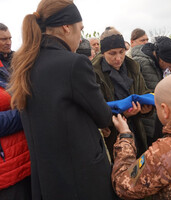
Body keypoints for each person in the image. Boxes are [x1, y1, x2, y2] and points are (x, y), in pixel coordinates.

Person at [8, 1, 116, 199]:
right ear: (67, 27)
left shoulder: (25, 64)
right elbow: (103, 116)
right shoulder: (74, 63)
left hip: (47, 180)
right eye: (80, 29)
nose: (80, 36)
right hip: (82, 179)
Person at [92, 27, 152, 160]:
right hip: (112, 138)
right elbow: (94, 109)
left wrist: (146, 109)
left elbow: (144, 92)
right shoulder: (93, 74)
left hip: (136, 131)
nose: (118, 58)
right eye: (112, 53)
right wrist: (121, 114)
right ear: (103, 53)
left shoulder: (134, 68)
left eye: (121, 52)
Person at [131, 36, 171, 146]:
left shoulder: (156, 62)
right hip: (147, 122)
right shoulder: (141, 63)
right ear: (162, 60)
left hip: (156, 119)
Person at [0, 23, 31, 200]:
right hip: (7, 168)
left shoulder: (18, 61)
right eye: (3, 39)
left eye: (10, 38)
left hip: (27, 157)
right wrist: (27, 115)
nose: (8, 42)